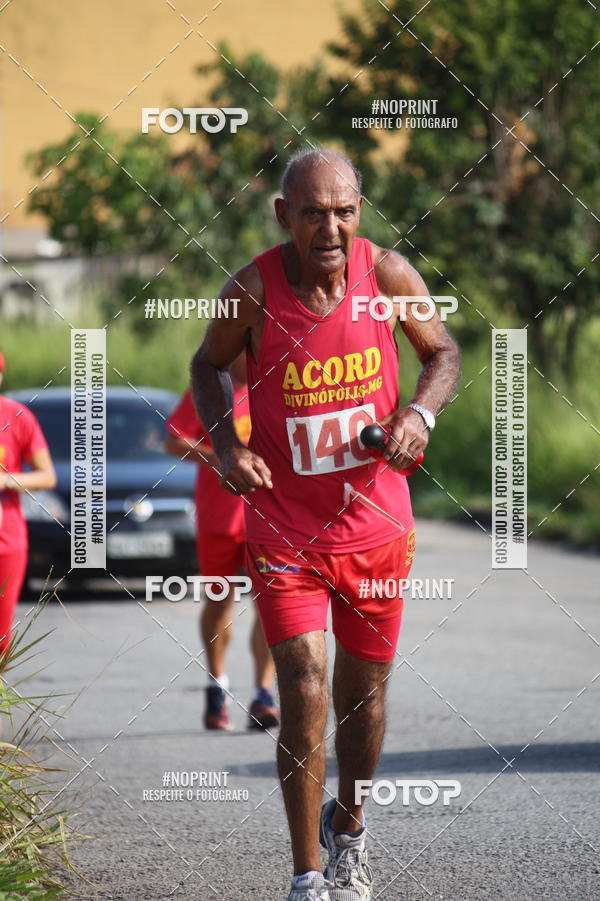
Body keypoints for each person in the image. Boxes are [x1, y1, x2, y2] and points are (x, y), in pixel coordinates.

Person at [190, 148, 460, 901]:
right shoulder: (252, 289)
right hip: (283, 530)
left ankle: (351, 825)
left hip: (375, 530)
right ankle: (307, 872)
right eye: (313, 212)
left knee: (363, 701)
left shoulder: (389, 277)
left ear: (359, 213)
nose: (330, 227)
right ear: (285, 216)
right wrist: (227, 444)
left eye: (343, 211)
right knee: (304, 683)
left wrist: (420, 412)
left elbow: (443, 352)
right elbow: (205, 367)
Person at [165, 353, 279, 731]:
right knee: (219, 602)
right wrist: (218, 456)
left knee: (271, 605)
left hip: (266, 520)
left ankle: (263, 694)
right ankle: (217, 687)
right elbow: (173, 440)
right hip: (217, 521)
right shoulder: (211, 391)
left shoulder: (276, 389)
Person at [0, 351, 57, 657]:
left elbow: (47, 476)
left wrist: (8, 480)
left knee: (1, 637)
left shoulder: (16, 417)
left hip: (7, 541)